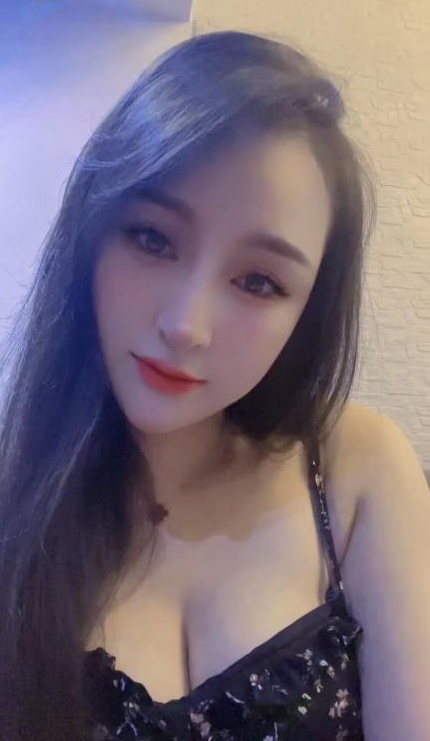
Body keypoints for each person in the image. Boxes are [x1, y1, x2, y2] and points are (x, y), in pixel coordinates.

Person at [0, 29, 429, 741]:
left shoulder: (355, 468)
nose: (185, 326)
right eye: (152, 238)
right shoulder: (16, 498)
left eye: (258, 281)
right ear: (93, 229)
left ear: (307, 311)